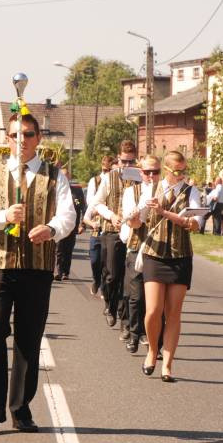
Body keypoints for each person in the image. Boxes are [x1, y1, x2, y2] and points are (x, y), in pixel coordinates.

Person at [0, 111, 76, 431]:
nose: (21, 141)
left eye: (28, 135)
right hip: (0, 263)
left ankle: (21, 408)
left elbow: (68, 216)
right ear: (7, 138)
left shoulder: (55, 176)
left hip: (37, 267)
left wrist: (52, 228)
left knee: (29, 338)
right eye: (15, 135)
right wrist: (3, 216)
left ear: (39, 139)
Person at [138, 150, 203, 383]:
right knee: (153, 310)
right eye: (177, 171)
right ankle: (152, 351)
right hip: (155, 254)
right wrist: (142, 210)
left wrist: (166, 212)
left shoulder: (191, 191)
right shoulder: (150, 189)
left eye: (184, 170)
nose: (181, 175)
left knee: (174, 312)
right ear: (166, 170)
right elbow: (137, 220)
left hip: (180, 255)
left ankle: (167, 364)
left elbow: (195, 223)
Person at [89, 141, 138, 329]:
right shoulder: (109, 178)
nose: (127, 166)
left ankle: (126, 321)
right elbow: (97, 203)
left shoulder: (141, 178)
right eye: (124, 161)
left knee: (129, 280)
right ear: (118, 159)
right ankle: (110, 305)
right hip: (112, 231)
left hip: (134, 233)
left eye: (131, 161)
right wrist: (111, 215)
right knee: (112, 276)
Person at [120, 155, 158, 353]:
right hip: (137, 245)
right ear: (140, 173)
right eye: (147, 172)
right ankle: (134, 334)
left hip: (160, 249)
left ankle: (155, 343)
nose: (151, 176)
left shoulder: (165, 190)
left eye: (155, 172)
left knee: (157, 301)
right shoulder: (130, 192)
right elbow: (132, 220)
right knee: (135, 296)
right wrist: (142, 208)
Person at [85, 155, 112, 296]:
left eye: (108, 170)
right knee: (95, 259)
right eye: (104, 169)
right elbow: (91, 202)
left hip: (109, 225)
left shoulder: (115, 181)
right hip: (96, 223)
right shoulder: (94, 181)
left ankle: (103, 286)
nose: (106, 172)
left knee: (107, 260)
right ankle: (96, 279)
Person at [55, 163, 81, 281]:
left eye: (66, 176)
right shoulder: (57, 188)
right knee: (59, 249)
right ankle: (58, 272)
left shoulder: (77, 190)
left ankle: (66, 272)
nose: (65, 178)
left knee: (68, 250)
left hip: (73, 225)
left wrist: (82, 224)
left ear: (69, 177)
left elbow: (82, 207)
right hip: (59, 224)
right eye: (63, 176)